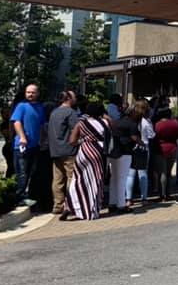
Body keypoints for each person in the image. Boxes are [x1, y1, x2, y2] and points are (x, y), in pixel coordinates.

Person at [65, 102, 108, 220]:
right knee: (95, 180)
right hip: (98, 151)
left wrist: (82, 141)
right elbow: (111, 131)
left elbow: (72, 141)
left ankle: (71, 204)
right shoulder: (104, 123)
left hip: (84, 151)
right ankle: (91, 210)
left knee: (77, 178)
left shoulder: (81, 123)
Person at [10, 84, 47, 206]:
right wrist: (22, 137)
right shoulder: (21, 106)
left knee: (32, 172)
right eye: (28, 92)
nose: (30, 94)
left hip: (35, 146)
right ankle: (19, 197)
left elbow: (42, 125)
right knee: (22, 173)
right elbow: (16, 122)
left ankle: (27, 195)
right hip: (22, 146)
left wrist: (42, 140)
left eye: (33, 92)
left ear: (38, 94)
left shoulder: (40, 107)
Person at [47, 90, 79, 218]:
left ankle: (57, 205)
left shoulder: (54, 112)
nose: (75, 99)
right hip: (69, 150)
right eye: (74, 97)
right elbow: (76, 129)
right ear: (69, 98)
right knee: (71, 177)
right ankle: (70, 204)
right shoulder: (71, 112)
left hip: (55, 150)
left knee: (58, 179)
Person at [107, 104, 140, 213]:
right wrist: (142, 143)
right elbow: (134, 137)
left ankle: (112, 203)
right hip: (125, 152)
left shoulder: (116, 122)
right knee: (122, 179)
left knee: (113, 178)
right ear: (132, 113)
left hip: (113, 152)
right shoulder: (132, 124)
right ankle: (121, 205)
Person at [126, 99, 155, 206]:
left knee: (130, 174)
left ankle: (129, 199)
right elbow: (151, 135)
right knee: (143, 174)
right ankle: (144, 198)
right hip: (143, 147)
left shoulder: (130, 119)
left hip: (131, 147)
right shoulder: (146, 121)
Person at [153, 108, 178, 200]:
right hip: (173, 148)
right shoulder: (176, 123)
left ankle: (162, 195)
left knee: (162, 173)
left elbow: (154, 137)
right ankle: (168, 194)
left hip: (160, 149)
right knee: (169, 173)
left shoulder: (158, 125)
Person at [0, 107, 15, 178]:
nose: (7, 114)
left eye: (8, 112)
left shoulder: (14, 122)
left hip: (13, 147)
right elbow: (7, 135)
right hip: (8, 148)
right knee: (11, 167)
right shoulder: (4, 124)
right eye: (5, 113)